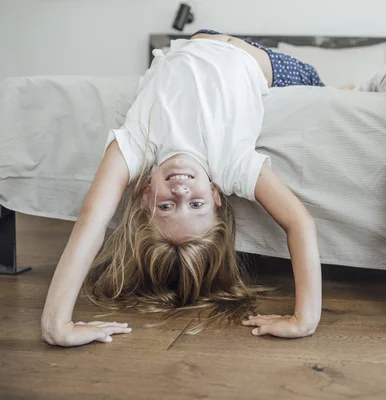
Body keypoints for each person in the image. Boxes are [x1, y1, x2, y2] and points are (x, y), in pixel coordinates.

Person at [41, 31, 325, 347]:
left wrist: (56, 324)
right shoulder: (232, 164)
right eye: (196, 205)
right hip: (259, 60)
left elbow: (91, 219)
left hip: (193, 40)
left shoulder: (137, 146)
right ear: (216, 195)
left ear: (145, 194)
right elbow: (299, 222)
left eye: (166, 207)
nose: (181, 194)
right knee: (318, 84)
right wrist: (305, 319)